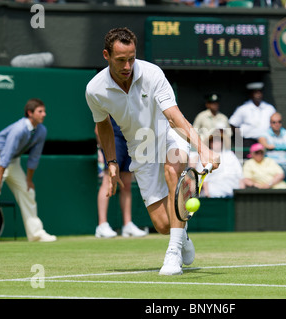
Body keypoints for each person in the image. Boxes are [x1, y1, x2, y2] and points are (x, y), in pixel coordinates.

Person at [85, 28, 219, 276]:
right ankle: (182, 236)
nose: (127, 65)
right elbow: (102, 124)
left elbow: (173, 115)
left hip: (168, 135)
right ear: (106, 55)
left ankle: (172, 254)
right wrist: (112, 161)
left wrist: (202, 149)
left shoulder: (152, 73)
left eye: (132, 58)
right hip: (140, 149)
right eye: (121, 60)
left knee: (172, 170)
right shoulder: (95, 90)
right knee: (162, 224)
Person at [0, 98, 56, 244]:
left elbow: (34, 157)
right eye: (40, 111)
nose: (44, 114)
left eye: (44, 111)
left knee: (28, 191)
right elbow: (6, 154)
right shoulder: (19, 129)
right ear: (30, 113)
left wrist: (29, 180)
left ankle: (36, 234)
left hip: (12, 160)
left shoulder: (41, 131)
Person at [95, 117, 147, 238]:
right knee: (108, 181)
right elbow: (98, 128)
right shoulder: (109, 100)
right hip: (113, 140)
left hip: (129, 140)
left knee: (127, 184)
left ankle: (127, 225)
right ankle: (101, 225)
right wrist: (104, 150)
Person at [228, 82, 276, 157]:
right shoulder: (243, 108)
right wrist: (240, 136)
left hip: (266, 141)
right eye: (255, 92)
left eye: (260, 92)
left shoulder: (269, 108)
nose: (258, 95)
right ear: (251, 94)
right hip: (249, 142)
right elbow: (233, 123)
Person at [196, 129, 244, 198]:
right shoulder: (205, 156)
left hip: (233, 194)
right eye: (214, 141)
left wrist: (241, 192)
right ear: (210, 143)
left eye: (219, 140)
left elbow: (240, 174)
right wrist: (207, 193)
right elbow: (202, 176)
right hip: (214, 194)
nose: (216, 142)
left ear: (222, 142)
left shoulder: (231, 155)